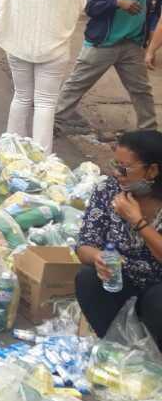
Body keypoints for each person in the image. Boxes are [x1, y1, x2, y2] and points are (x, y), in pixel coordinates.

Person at [0, 0, 86, 154]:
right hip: (54, 50)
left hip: (18, 47)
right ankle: (42, 156)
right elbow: (81, 6)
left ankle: (10, 150)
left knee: (21, 97)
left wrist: (10, 32)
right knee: (45, 103)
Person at [58, 0, 161, 134]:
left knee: (141, 90)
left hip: (132, 44)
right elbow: (90, 8)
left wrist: (151, 47)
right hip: (103, 43)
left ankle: (148, 130)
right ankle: (58, 117)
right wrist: (117, 3)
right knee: (78, 83)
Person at [75, 129, 162, 349]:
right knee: (88, 278)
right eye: (115, 165)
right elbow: (84, 244)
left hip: (157, 287)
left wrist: (138, 222)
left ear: (152, 170)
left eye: (124, 168)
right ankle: (117, 348)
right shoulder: (108, 189)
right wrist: (98, 257)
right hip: (123, 279)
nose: (117, 174)